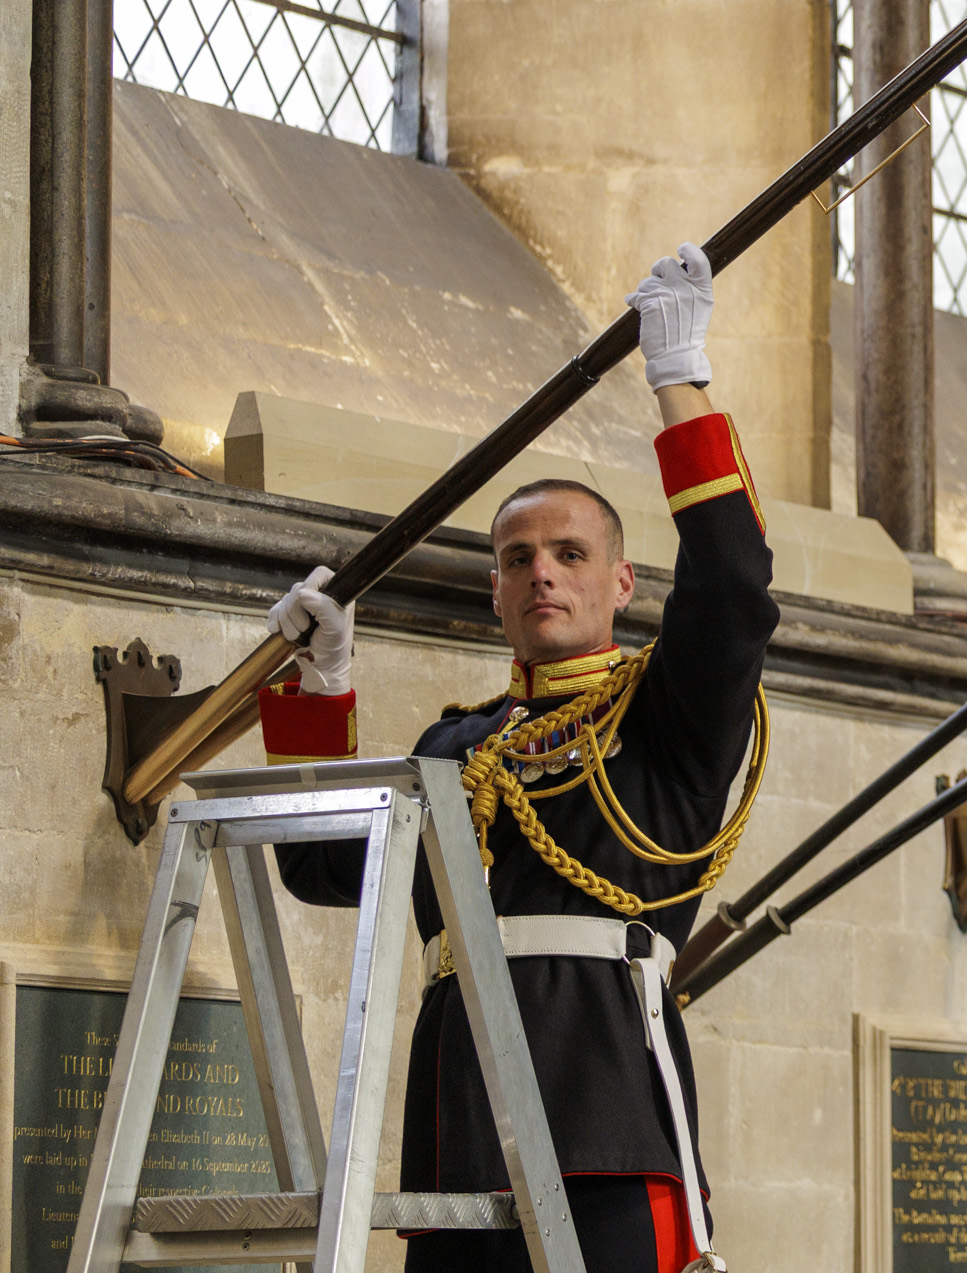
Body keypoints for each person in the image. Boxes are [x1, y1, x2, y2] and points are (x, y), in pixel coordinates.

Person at [260, 244, 774, 1273]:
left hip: (610, 1112)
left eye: (569, 554)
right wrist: (320, 692)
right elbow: (320, 868)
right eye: (517, 560)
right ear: (494, 594)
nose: (543, 574)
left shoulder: (668, 716)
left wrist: (680, 378)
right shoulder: (456, 746)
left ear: (622, 580)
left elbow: (731, 584)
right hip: (464, 1122)